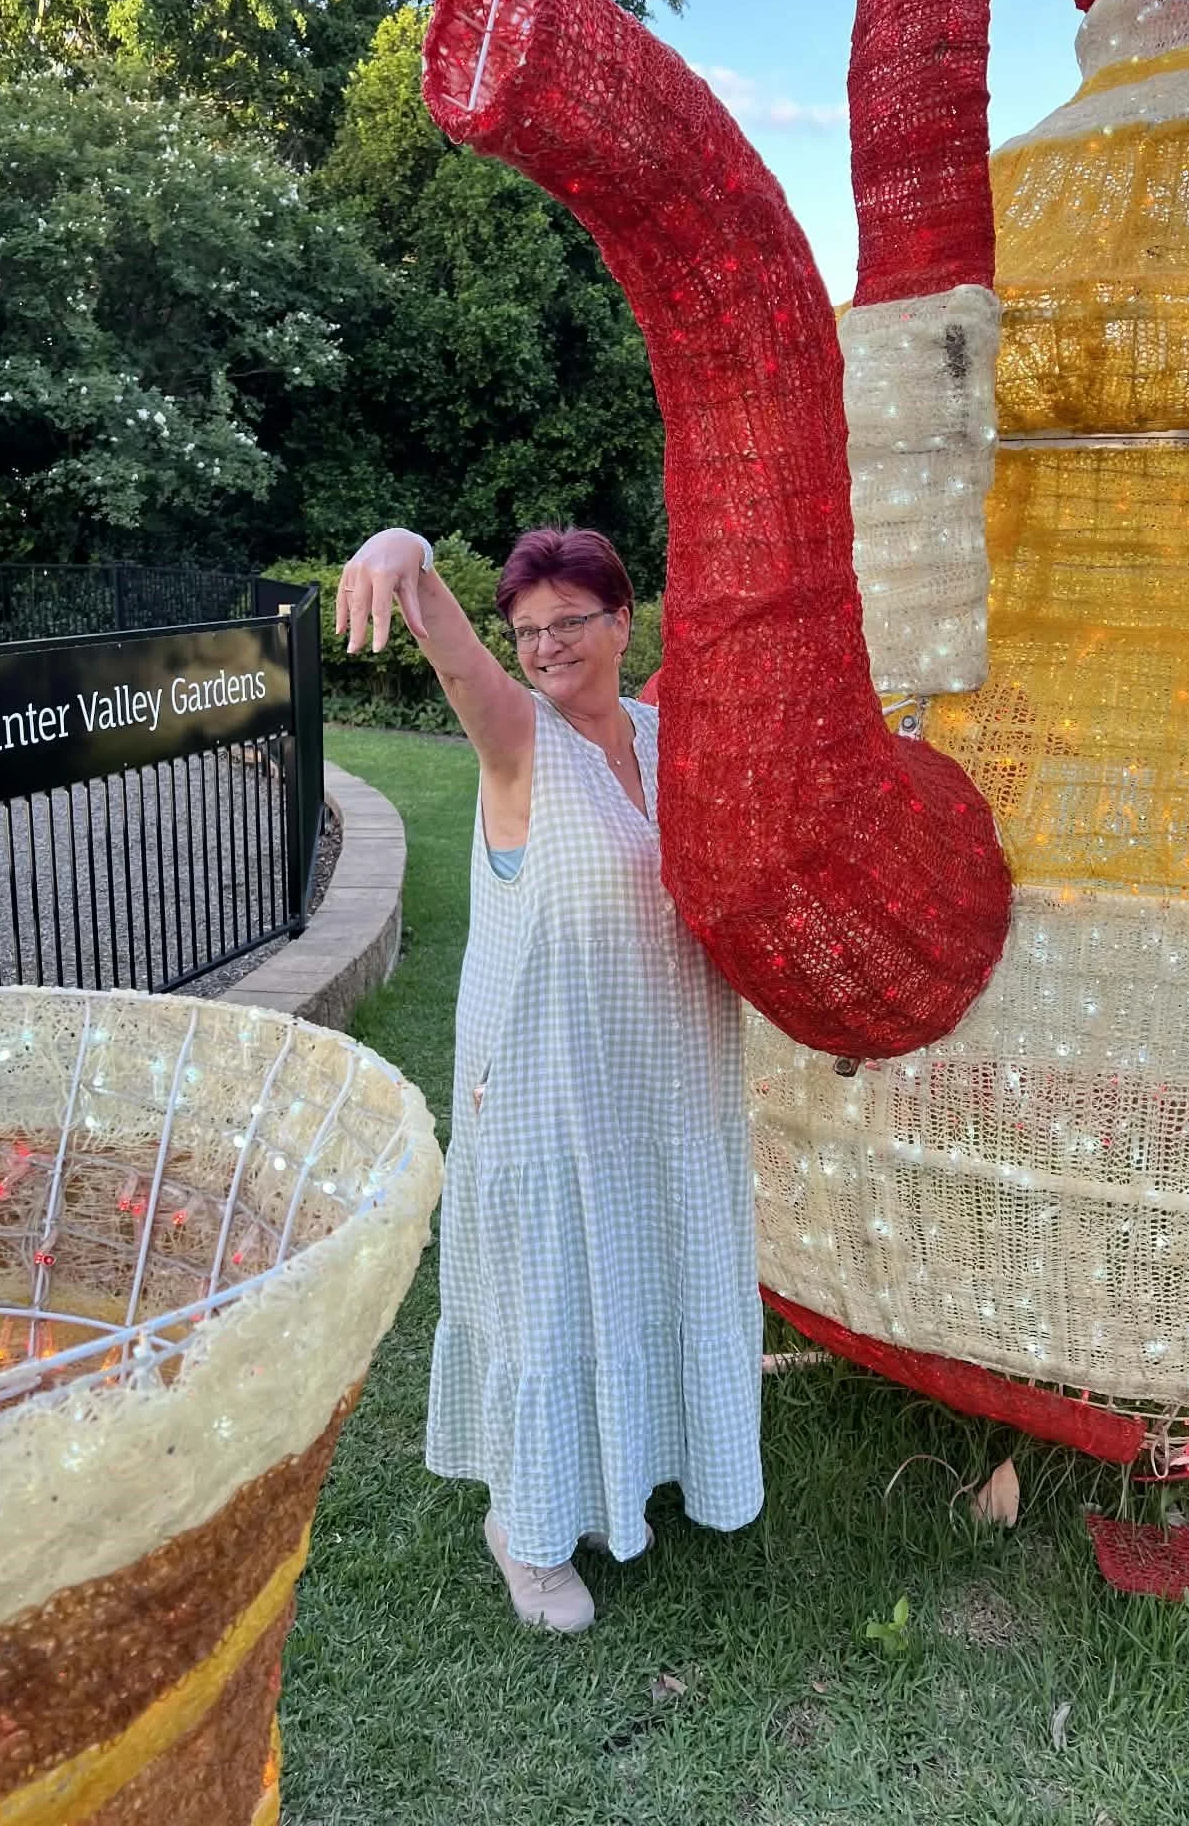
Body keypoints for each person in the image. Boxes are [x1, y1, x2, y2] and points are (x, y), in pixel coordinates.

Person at [336, 525, 763, 1632]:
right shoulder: (521, 740)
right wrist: (406, 551)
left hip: (666, 1073)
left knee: (641, 1270)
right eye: (528, 630)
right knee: (550, 1293)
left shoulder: (677, 741)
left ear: (625, 622)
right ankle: (525, 1529)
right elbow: (460, 665)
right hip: (546, 1076)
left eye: (569, 621)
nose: (544, 647)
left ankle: (617, 1480)